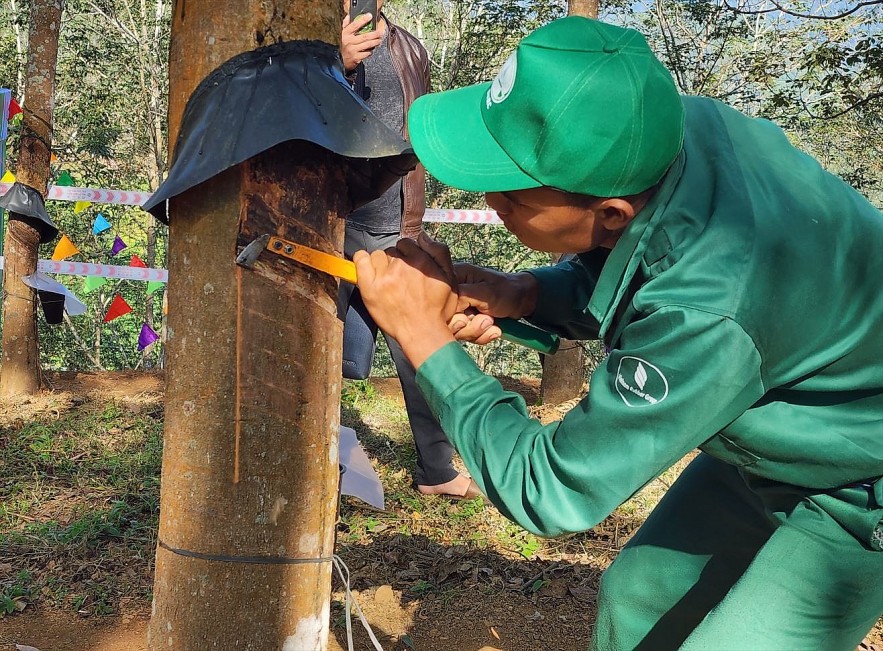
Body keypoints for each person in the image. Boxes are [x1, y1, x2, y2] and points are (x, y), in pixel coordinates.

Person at [352, 16, 883, 651]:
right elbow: (646, 259)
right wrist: (521, 293)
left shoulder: (708, 312)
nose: (487, 198)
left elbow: (552, 489)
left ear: (608, 212)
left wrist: (423, 339)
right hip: (780, 420)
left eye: (510, 197)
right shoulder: (662, 130)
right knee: (639, 598)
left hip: (859, 482)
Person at [338, 2, 479, 499]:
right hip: (336, 218)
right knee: (330, 353)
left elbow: (419, 134)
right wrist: (340, 61)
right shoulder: (319, 38)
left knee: (418, 344)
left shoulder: (409, 48)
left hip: (399, 222)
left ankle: (437, 471)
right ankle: (317, 461)